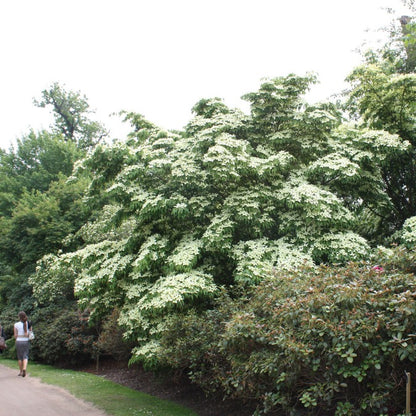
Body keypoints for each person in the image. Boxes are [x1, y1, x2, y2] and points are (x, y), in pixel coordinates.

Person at [13, 311, 32, 377]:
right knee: (25, 356)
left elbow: (15, 335)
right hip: (26, 341)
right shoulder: (28, 323)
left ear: (19, 317)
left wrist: (16, 340)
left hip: (19, 341)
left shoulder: (16, 324)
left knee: (20, 357)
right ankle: (24, 368)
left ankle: (21, 371)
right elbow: (30, 332)